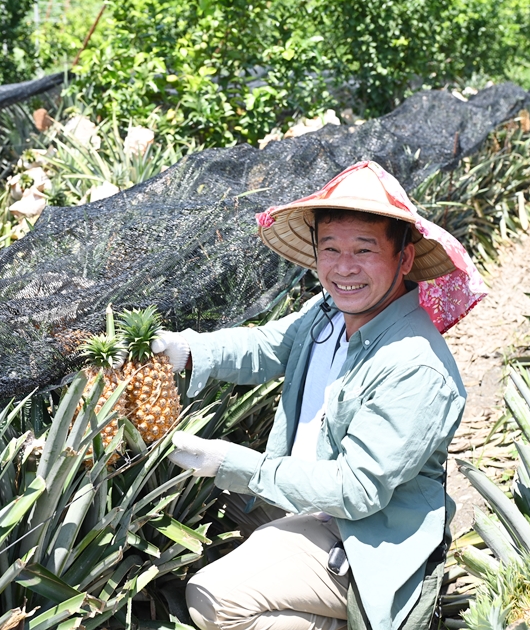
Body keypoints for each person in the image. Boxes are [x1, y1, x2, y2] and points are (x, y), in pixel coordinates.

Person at [153, 161, 487, 630]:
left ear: (405, 258)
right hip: (305, 500)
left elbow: (355, 491)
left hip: (359, 537)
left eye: (364, 249)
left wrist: (236, 464)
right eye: (330, 248)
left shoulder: (414, 366)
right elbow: (267, 346)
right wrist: (186, 350)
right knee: (203, 503)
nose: (344, 267)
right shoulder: (329, 311)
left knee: (213, 599)